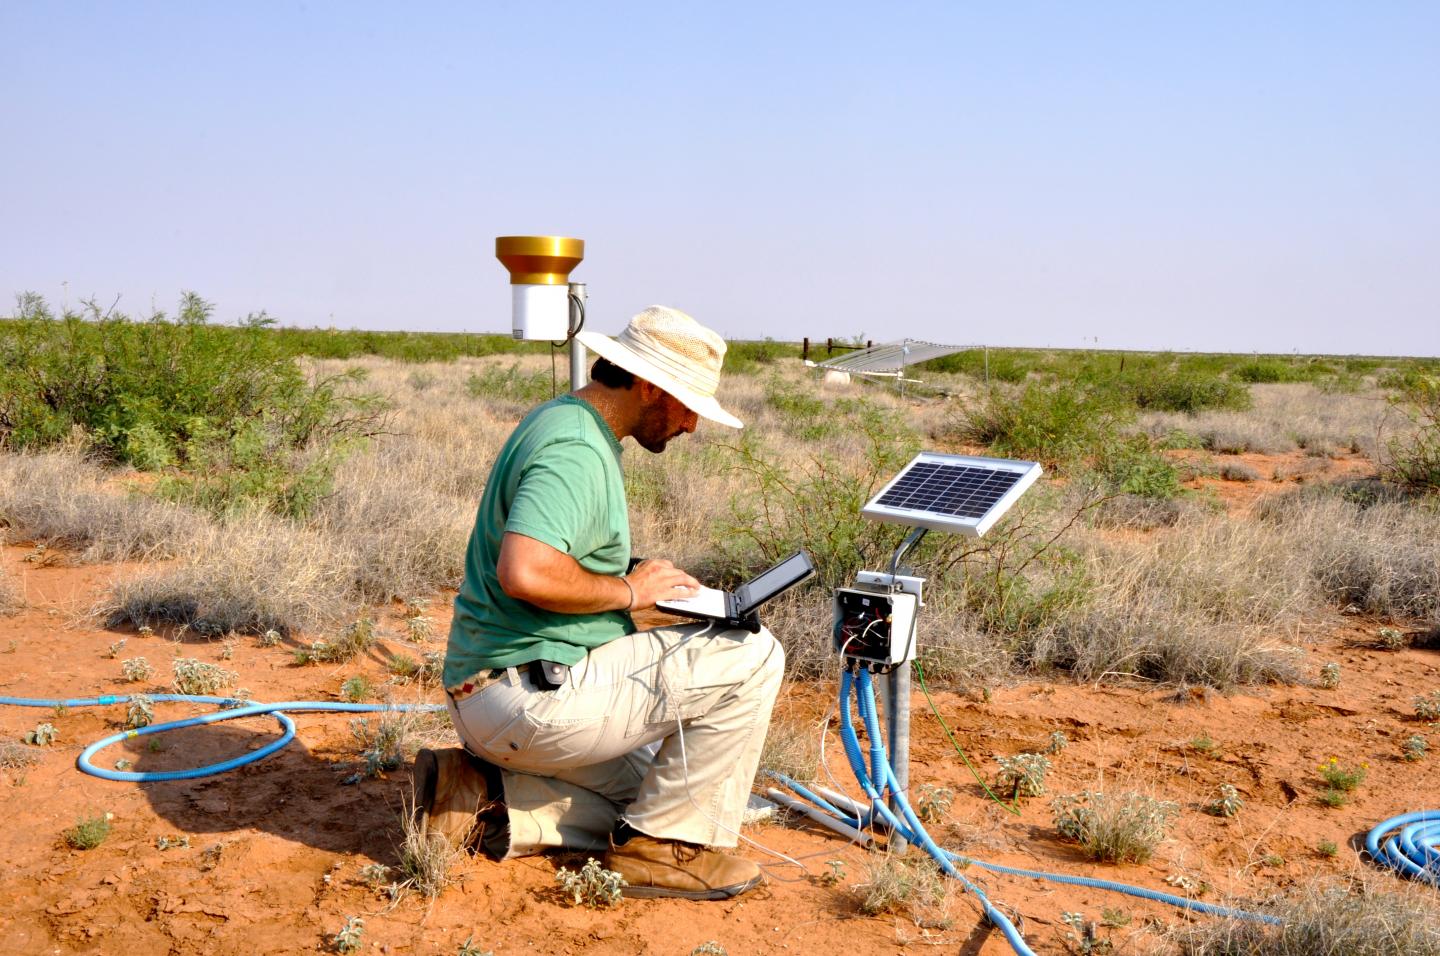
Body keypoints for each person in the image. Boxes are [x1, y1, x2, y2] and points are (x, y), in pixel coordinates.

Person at [414, 305, 785, 901]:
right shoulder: (577, 451)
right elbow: (525, 570)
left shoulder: (566, 423)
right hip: (524, 696)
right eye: (688, 404)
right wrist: (629, 594)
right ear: (647, 385)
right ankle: (667, 854)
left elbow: (554, 560)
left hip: (490, 695)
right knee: (755, 653)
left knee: (658, 794)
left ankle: (481, 797)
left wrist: (635, 580)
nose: (692, 425)